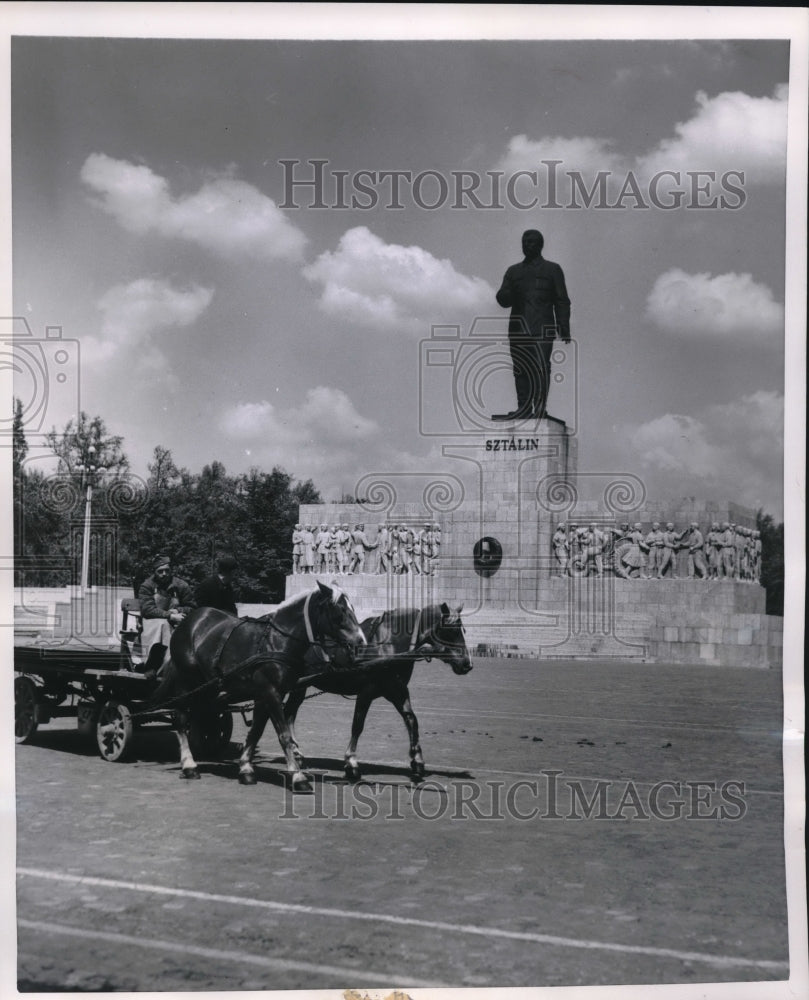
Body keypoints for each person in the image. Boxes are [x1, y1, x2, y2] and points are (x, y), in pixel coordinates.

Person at [494, 229, 571, 421]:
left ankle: (539, 408)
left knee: (541, 368)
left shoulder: (552, 269)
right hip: (518, 329)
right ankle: (524, 408)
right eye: (524, 242)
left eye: (531, 242)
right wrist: (503, 295)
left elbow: (562, 300)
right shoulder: (513, 271)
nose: (527, 245)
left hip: (542, 329)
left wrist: (564, 326)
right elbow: (503, 298)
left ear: (540, 245)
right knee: (520, 369)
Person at [137, 554, 196, 676]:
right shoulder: (147, 586)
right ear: (154, 572)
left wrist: (179, 610)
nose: (164, 574)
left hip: (177, 620)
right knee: (162, 625)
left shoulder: (181, 585)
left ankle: (179, 666)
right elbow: (147, 609)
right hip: (152, 621)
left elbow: (192, 607)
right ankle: (152, 665)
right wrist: (169, 615)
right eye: (160, 571)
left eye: (167, 570)